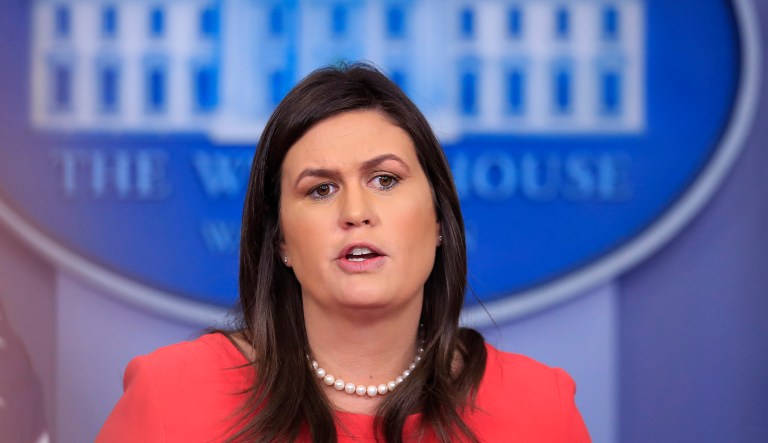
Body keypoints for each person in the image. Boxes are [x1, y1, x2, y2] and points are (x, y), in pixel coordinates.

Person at [97, 63, 591, 442]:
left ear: (439, 222)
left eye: (385, 180)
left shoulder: (539, 406)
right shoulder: (171, 395)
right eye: (320, 189)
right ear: (281, 241)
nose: (356, 211)